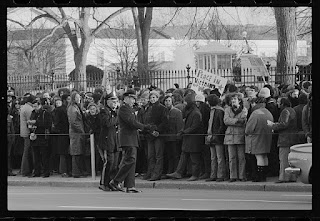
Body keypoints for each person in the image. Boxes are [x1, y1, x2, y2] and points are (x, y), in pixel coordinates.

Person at [109, 89, 152, 193]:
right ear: (126, 98)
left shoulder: (130, 108)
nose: (134, 101)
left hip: (132, 138)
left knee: (131, 162)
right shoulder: (124, 108)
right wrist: (145, 127)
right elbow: (132, 122)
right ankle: (115, 181)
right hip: (127, 138)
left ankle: (130, 186)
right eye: (132, 99)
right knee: (130, 160)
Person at [166, 93, 203, 181]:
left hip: (194, 139)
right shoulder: (190, 112)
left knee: (194, 158)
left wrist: (183, 132)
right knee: (183, 156)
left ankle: (195, 174)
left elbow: (194, 127)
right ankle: (178, 172)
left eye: (186, 102)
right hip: (187, 138)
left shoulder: (196, 113)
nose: (185, 104)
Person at [267, 97, 298, 183]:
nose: (277, 104)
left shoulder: (285, 111)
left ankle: (284, 177)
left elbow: (284, 124)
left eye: (278, 102)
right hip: (292, 138)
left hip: (285, 139)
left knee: (283, 159)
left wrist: (273, 125)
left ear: (283, 103)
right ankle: (292, 177)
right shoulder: (292, 110)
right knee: (290, 160)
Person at [245, 97, 273, 182]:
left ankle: (259, 176)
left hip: (256, 138)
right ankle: (264, 175)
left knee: (259, 156)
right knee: (264, 157)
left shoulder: (255, 113)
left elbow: (249, 129)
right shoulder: (268, 112)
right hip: (267, 137)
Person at [98, 92, 121, 191]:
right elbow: (108, 123)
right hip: (107, 141)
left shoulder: (115, 112)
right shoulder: (104, 111)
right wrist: (117, 117)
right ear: (107, 101)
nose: (115, 103)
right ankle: (104, 183)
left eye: (116, 101)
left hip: (115, 140)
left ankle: (112, 182)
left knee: (115, 164)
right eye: (112, 101)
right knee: (109, 163)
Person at [144, 90, 168, 181]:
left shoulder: (162, 108)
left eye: (154, 97)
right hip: (150, 135)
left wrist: (157, 130)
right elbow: (146, 122)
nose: (152, 99)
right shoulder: (148, 108)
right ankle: (150, 172)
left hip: (159, 135)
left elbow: (165, 122)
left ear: (157, 98)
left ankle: (156, 174)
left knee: (158, 155)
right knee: (150, 155)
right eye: (151, 97)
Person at [224, 92, 247, 182]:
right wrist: (237, 121)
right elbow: (226, 120)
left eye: (235, 99)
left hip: (240, 136)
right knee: (231, 158)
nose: (233, 101)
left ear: (239, 100)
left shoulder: (244, 109)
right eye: (232, 99)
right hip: (230, 136)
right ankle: (233, 176)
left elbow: (244, 121)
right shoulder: (227, 109)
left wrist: (232, 121)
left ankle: (242, 175)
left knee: (241, 157)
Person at [28, 98, 52, 178]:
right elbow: (30, 122)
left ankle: (46, 172)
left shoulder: (45, 113)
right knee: (35, 156)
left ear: (40, 105)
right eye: (33, 106)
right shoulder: (33, 113)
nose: (35, 108)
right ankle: (36, 172)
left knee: (44, 156)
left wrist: (36, 123)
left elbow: (48, 124)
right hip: (34, 136)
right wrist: (30, 125)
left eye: (36, 106)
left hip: (42, 136)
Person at [205, 94, 227, 182]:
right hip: (211, 136)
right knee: (213, 157)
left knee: (219, 157)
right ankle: (213, 174)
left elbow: (221, 126)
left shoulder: (219, 111)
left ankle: (220, 175)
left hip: (216, 137)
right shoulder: (212, 110)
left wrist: (216, 135)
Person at [67, 91, 87, 178]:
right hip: (76, 133)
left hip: (78, 133)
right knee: (76, 153)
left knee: (79, 152)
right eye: (77, 97)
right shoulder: (72, 108)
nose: (79, 99)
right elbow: (73, 122)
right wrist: (81, 130)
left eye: (79, 97)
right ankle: (76, 172)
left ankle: (79, 171)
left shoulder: (76, 107)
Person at [163, 94, 184, 175]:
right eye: (166, 101)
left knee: (175, 155)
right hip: (166, 137)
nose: (167, 102)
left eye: (169, 101)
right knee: (169, 156)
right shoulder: (164, 111)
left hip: (174, 137)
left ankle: (175, 171)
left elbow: (179, 125)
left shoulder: (177, 112)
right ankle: (169, 171)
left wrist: (178, 136)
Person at [52, 96, 71, 177]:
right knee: (64, 152)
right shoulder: (62, 110)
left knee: (62, 153)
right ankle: (63, 170)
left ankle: (62, 170)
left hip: (60, 133)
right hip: (64, 133)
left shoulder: (56, 111)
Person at [195, 93, 211, 180]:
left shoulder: (203, 109)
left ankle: (206, 172)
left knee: (205, 154)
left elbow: (203, 122)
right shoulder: (205, 108)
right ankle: (205, 171)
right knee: (204, 154)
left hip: (203, 134)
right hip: (203, 134)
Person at [20, 94, 35, 177]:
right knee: (27, 151)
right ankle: (25, 170)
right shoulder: (29, 109)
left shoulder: (24, 107)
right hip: (28, 132)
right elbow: (31, 120)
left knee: (26, 151)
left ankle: (25, 170)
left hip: (24, 131)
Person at [8, 106, 16, 176]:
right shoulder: (9, 118)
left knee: (8, 155)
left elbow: (12, 129)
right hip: (9, 137)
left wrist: (13, 138)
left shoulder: (9, 118)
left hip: (8, 138)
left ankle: (9, 170)